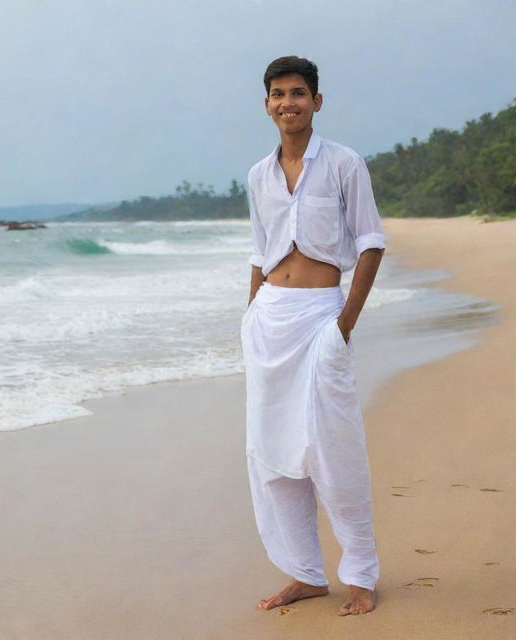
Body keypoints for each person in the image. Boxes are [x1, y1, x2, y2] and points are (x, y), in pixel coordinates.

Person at [240, 56, 385, 617]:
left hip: (322, 317)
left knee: (334, 448)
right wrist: (249, 315)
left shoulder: (345, 164)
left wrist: (344, 324)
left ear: (316, 102)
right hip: (269, 321)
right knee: (272, 453)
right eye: (277, 94)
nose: (287, 102)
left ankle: (362, 575)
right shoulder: (258, 175)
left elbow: (370, 242)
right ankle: (304, 572)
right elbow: (260, 249)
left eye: (298, 93)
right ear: (267, 104)